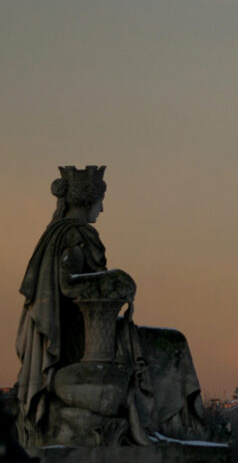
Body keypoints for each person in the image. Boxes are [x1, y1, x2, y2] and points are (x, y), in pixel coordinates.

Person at [15, 166, 208, 447]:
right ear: (87, 199)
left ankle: (181, 425)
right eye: (100, 201)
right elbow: (69, 282)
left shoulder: (58, 235)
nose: (102, 209)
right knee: (174, 344)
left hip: (85, 334)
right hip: (82, 340)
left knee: (170, 342)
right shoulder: (75, 235)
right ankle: (181, 425)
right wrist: (112, 281)